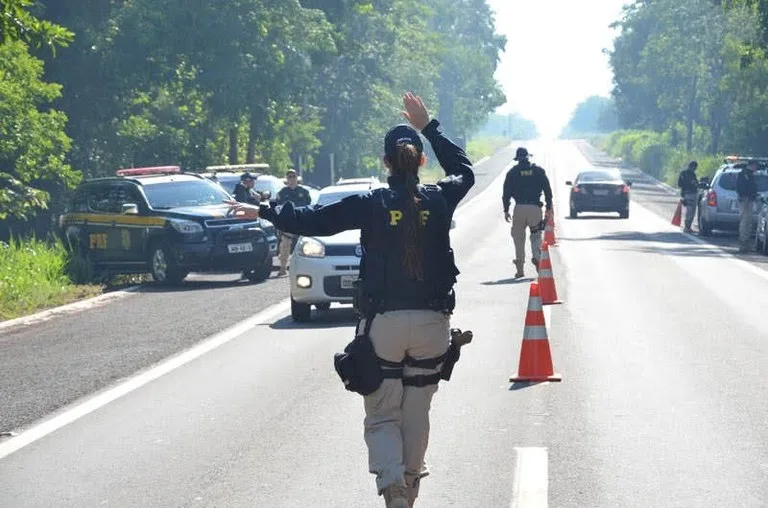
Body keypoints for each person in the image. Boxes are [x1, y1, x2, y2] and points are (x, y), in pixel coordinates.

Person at [227, 92, 474, 508]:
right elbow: (464, 171)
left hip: (385, 328)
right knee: (417, 413)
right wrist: (429, 126)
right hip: (434, 325)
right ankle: (409, 489)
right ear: (421, 161)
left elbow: (313, 221)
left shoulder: (370, 203)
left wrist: (267, 211)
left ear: (385, 163)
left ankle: (393, 484)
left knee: (382, 413)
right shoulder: (439, 197)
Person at [501, 147, 553, 278]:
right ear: (528, 157)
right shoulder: (538, 171)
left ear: (517, 159)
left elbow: (506, 193)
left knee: (518, 238)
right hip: (534, 208)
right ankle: (537, 257)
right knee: (535, 236)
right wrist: (548, 207)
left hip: (519, 209)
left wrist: (506, 210)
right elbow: (548, 190)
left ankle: (520, 269)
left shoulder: (512, 172)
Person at [275, 169, 312, 276]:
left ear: (297, 178)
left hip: (301, 222)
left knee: (306, 246)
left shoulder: (304, 192)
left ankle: (306, 268)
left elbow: (308, 206)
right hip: (288, 223)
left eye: (293, 176)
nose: (292, 179)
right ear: (286, 179)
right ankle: (283, 267)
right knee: (285, 246)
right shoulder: (282, 193)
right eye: (289, 177)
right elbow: (279, 207)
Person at [737, 160, 759, 252]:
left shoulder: (750, 174)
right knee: (745, 222)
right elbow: (741, 187)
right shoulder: (744, 174)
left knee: (749, 222)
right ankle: (743, 244)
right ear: (751, 165)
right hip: (745, 200)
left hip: (749, 200)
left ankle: (746, 244)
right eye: (755, 165)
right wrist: (745, 196)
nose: (756, 167)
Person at [677, 161, 700, 233]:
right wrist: (688, 186)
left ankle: (688, 226)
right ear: (691, 166)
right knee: (689, 211)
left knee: (692, 212)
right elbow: (680, 184)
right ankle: (686, 227)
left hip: (693, 194)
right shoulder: (684, 174)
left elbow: (696, 183)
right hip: (687, 194)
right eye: (694, 167)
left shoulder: (693, 174)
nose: (694, 169)